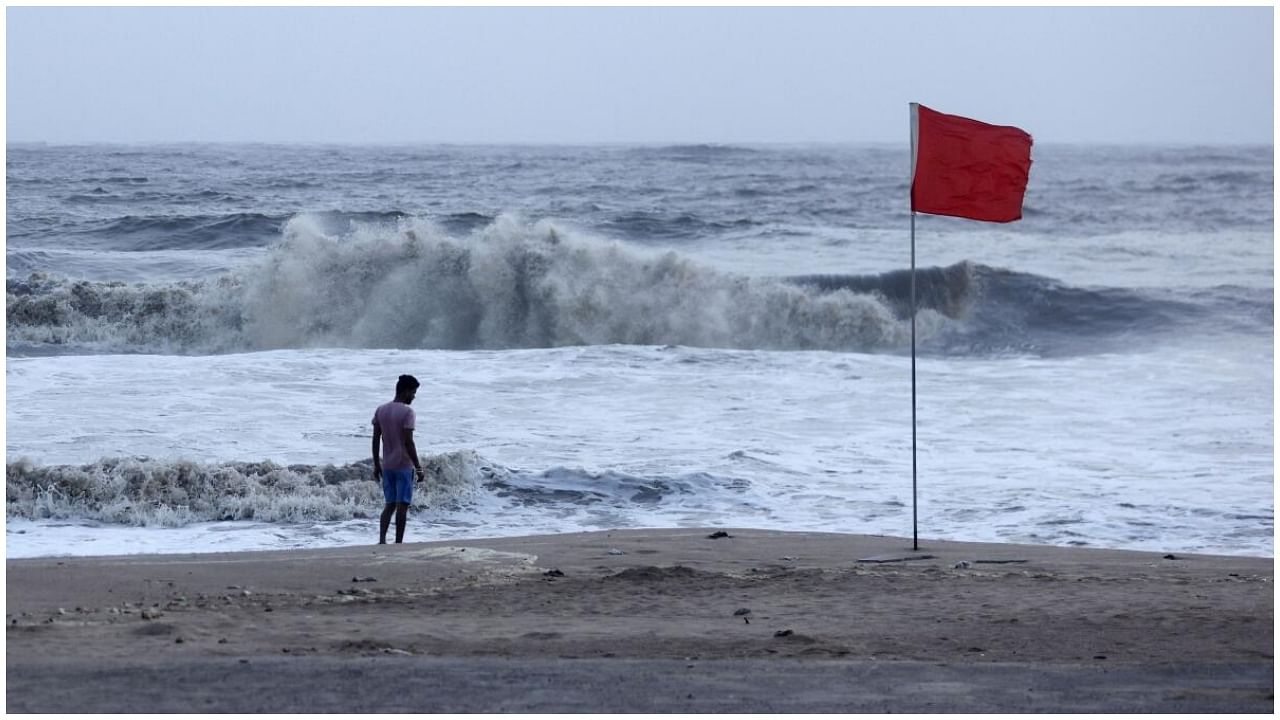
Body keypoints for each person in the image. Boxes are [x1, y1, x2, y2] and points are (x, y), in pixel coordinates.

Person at [371, 374, 425, 544]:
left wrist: (376, 463)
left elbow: (375, 439)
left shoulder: (381, 410)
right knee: (402, 506)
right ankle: (398, 542)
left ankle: (381, 540)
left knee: (389, 505)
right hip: (403, 464)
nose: (414, 397)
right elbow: (409, 442)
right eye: (413, 393)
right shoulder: (408, 412)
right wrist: (418, 467)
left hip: (387, 465)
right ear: (406, 391)